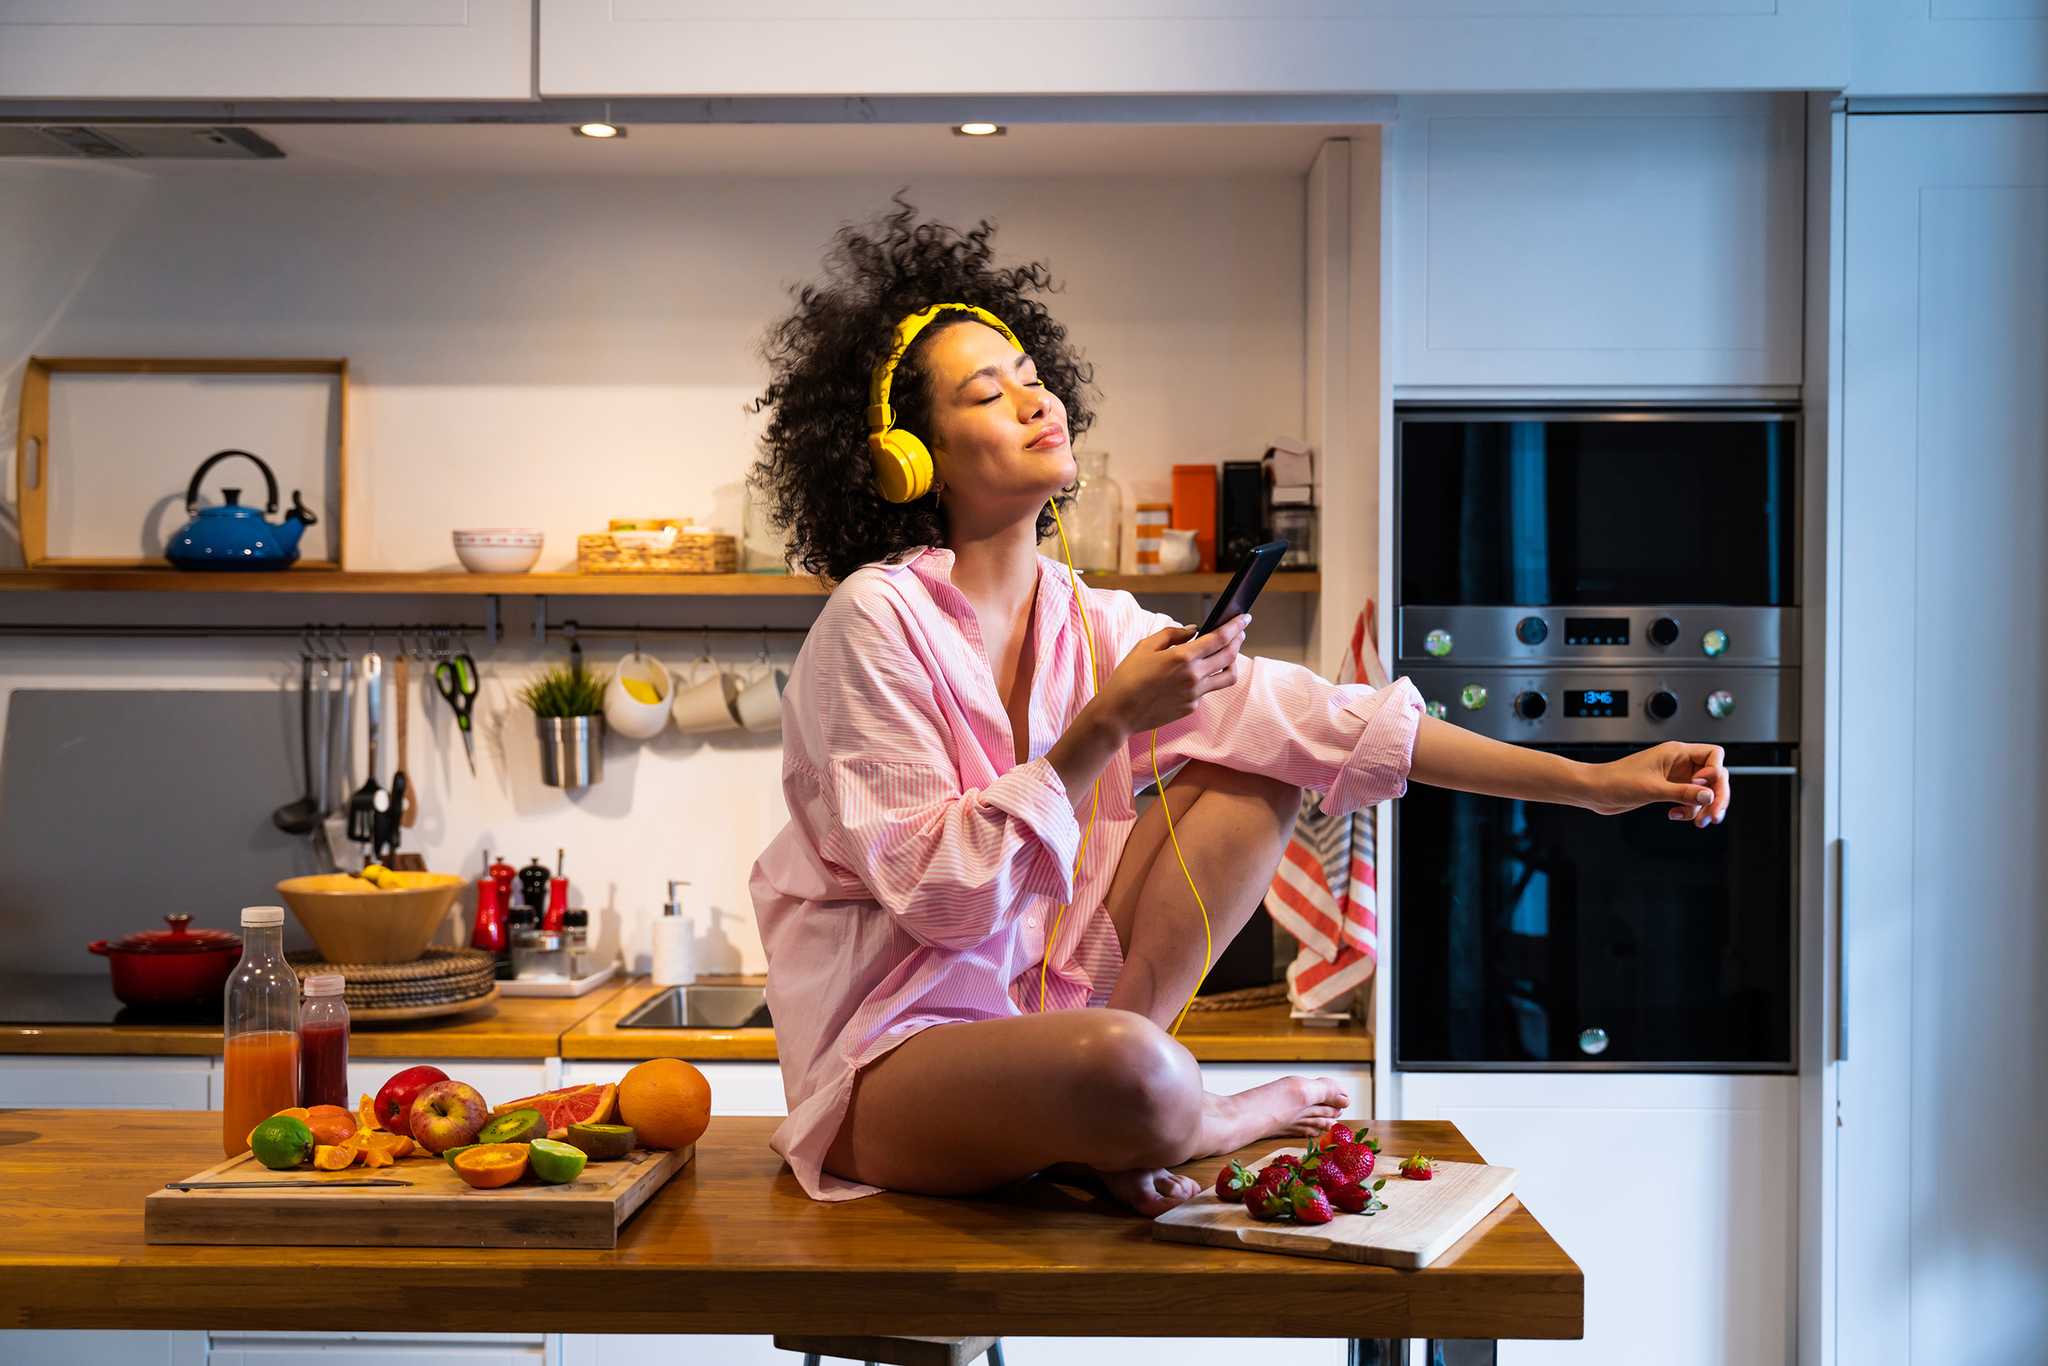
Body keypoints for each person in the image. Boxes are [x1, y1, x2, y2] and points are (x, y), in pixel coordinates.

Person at [746, 202, 1732, 1214]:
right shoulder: (875, 618)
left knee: (1259, 764)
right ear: (911, 458)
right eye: (988, 396)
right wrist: (1103, 731)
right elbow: (943, 902)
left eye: (1033, 380)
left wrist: (1590, 781)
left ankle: (1117, 1124)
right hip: (889, 1061)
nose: (1034, 404)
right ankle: (1195, 1112)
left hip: (1049, 1025)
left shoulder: (1092, 625)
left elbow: (1328, 721)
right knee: (1142, 1071)